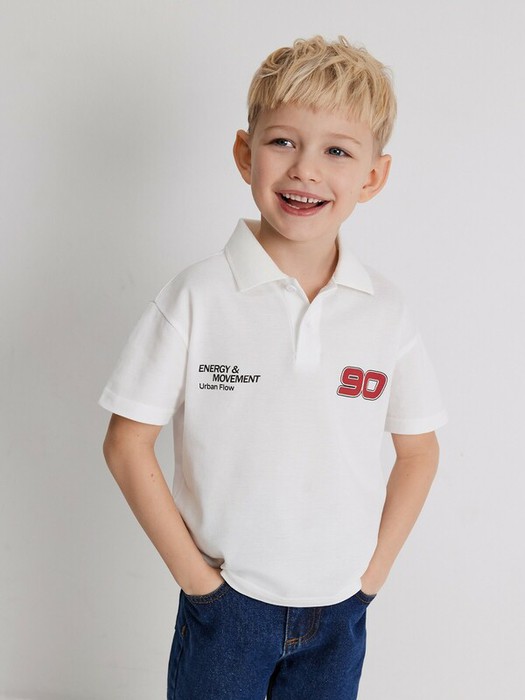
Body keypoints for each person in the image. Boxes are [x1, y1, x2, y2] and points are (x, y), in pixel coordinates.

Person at [99, 35, 448, 699]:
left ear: (373, 177)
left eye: (337, 151)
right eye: (283, 142)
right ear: (245, 153)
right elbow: (126, 442)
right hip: (226, 609)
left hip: (340, 611)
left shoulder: (385, 312)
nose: (305, 170)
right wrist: (201, 586)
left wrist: (370, 577)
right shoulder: (197, 296)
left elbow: (419, 451)